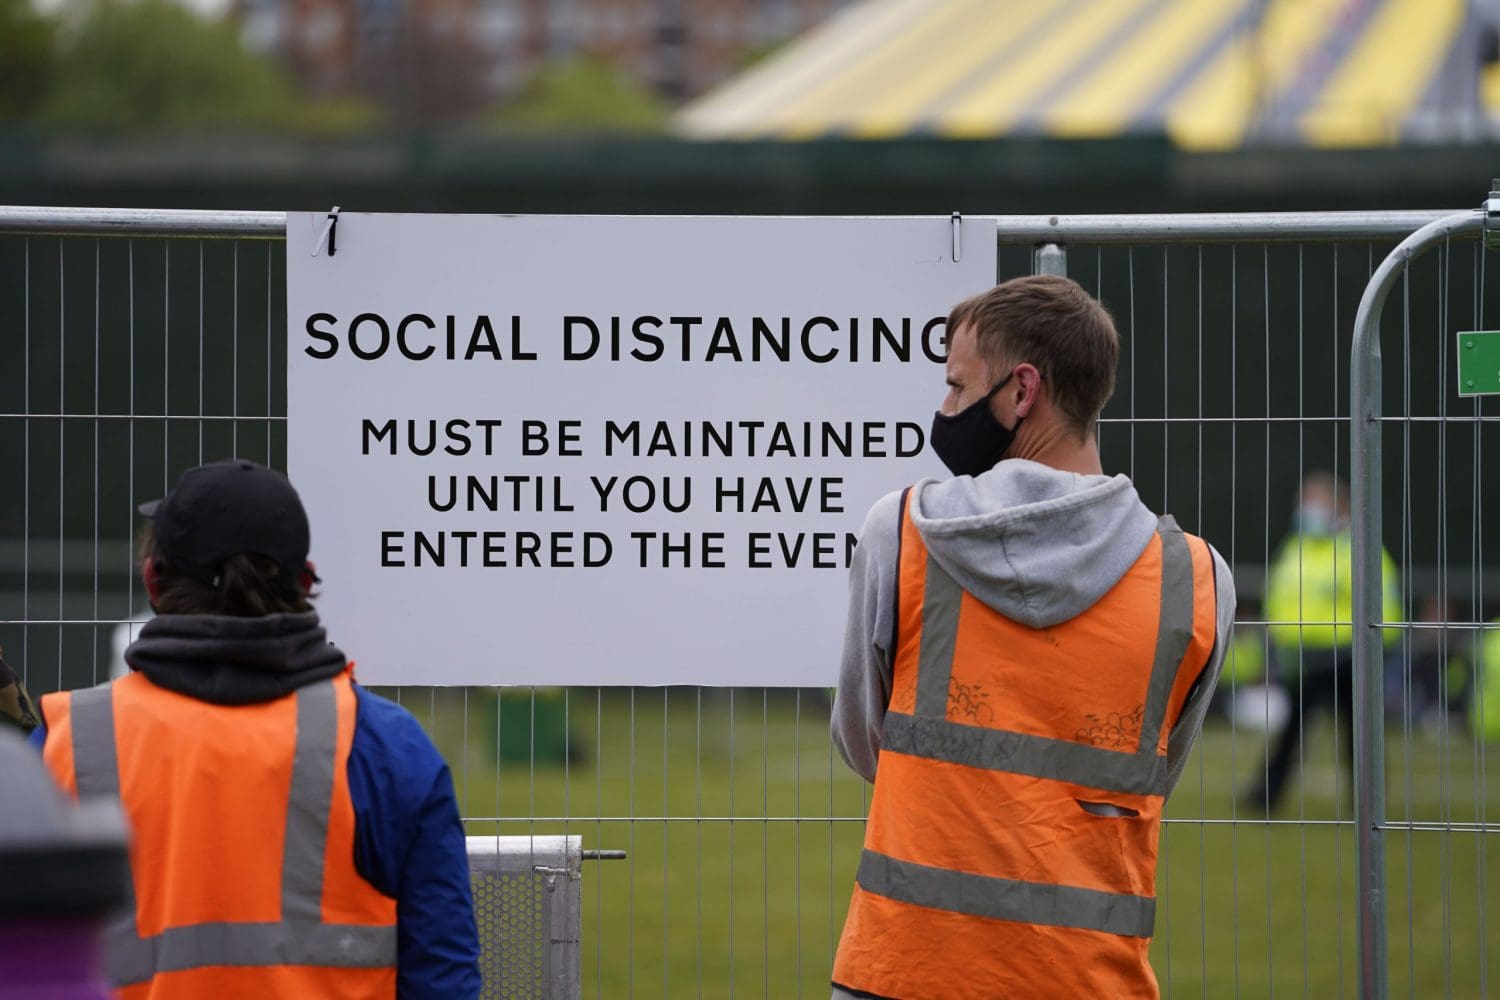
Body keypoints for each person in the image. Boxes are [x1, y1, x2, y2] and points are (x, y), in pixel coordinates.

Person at [829, 275, 1235, 1000]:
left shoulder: (900, 533)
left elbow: (867, 743)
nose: (945, 411)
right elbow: (1149, 774)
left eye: (957, 388)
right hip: (1089, 980)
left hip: (902, 970)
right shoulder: (1198, 579)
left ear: (1023, 391)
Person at [30, 459, 480, 998]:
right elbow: (442, 975)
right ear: (307, 580)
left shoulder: (64, 743)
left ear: (153, 578)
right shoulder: (387, 745)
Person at [1247, 473, 1399, 812]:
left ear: (1339, 507)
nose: (1305, 510)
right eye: (1303, 502)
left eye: (1314, 502)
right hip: (1303, 657)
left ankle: (1367, 802)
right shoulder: (1294, 548)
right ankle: (1265, 795)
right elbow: (1275, 596)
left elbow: (1384, 604)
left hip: (1349, 655)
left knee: (1358, 733)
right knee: (1292, 730)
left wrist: (1376, 650)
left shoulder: (1358, 549)